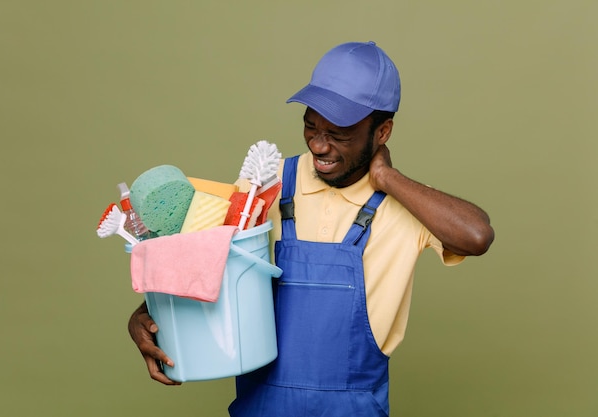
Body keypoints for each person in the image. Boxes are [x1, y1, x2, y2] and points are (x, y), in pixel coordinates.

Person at [128, 41, 495, 416]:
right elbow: (214, 267)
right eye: (311, 126)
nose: (319, 145)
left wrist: (386, 178)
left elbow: (476, 235)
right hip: (261, 406)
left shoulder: (409, 205)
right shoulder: (265, 186)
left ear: (382, 131)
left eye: (339, 134)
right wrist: (153, 312)